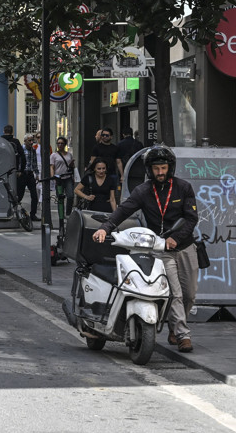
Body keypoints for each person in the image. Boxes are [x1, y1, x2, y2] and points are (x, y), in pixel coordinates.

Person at [93, 147, 200, 352]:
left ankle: (173, 326)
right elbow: (124, 210)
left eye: (164, 167)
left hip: (185, 246)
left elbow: (191, 218)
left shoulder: (183, 188)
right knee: (175, 293)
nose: (161, 172)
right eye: (157, 168)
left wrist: (175, 238)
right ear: (150, 170)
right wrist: (104, 228)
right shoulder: (143, 190)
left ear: (170, 168)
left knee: (190, 294)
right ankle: (182, 334)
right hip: (160, 249)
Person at [50, 136, 76, 225]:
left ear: (65, 144)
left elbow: (71, 166)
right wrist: (53, 177)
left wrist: (72, 164)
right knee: (60, 198)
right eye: (58, 143)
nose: (60, 145)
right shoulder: (54, 155)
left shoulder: (69, 155)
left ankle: (68, 213)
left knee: (70, 196)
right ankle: (61, 215)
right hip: (59, 178)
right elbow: (52, 167)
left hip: (68, 177)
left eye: (62, 143)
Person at [20, 133, 40, 220]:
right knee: (20, 195)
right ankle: (16, 212)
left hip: (30, 174)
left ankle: (33, 214)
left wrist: (37, 173)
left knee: (34, 196)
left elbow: (34, 163)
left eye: (32, 140)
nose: (31, 142)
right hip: (22, 174)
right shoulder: (21, 149)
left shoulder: (33, 150)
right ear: (25, 141)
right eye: (29, 140)